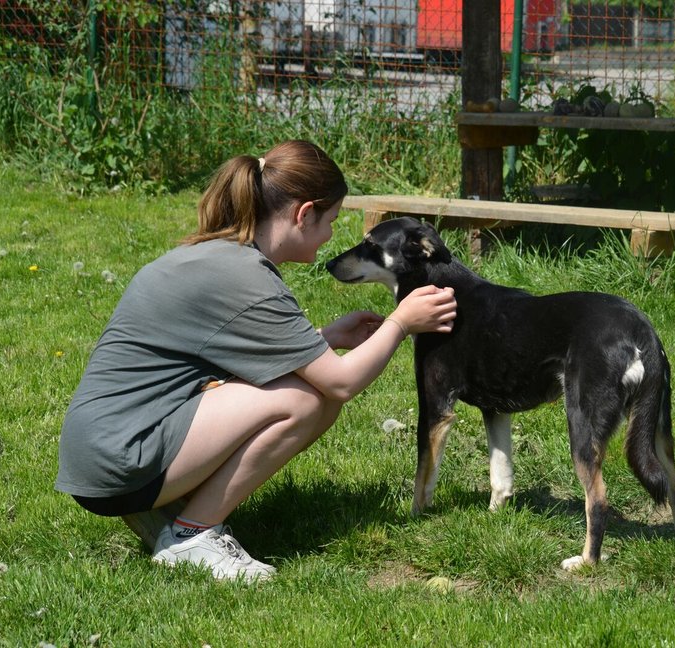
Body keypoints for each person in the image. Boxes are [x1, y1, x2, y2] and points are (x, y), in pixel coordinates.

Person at [55, 140, 457, 582]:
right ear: (304, 214)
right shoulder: (248, 280)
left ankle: (169, 508)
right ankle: (191, 536)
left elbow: (240, 360)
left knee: (305, 387)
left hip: (101, 449)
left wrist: (326, 337)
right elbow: (340, 383)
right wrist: (400, 323)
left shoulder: (221, 255)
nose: (329, 238)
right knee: (307, 400)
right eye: (331, 222)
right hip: (121, 460)